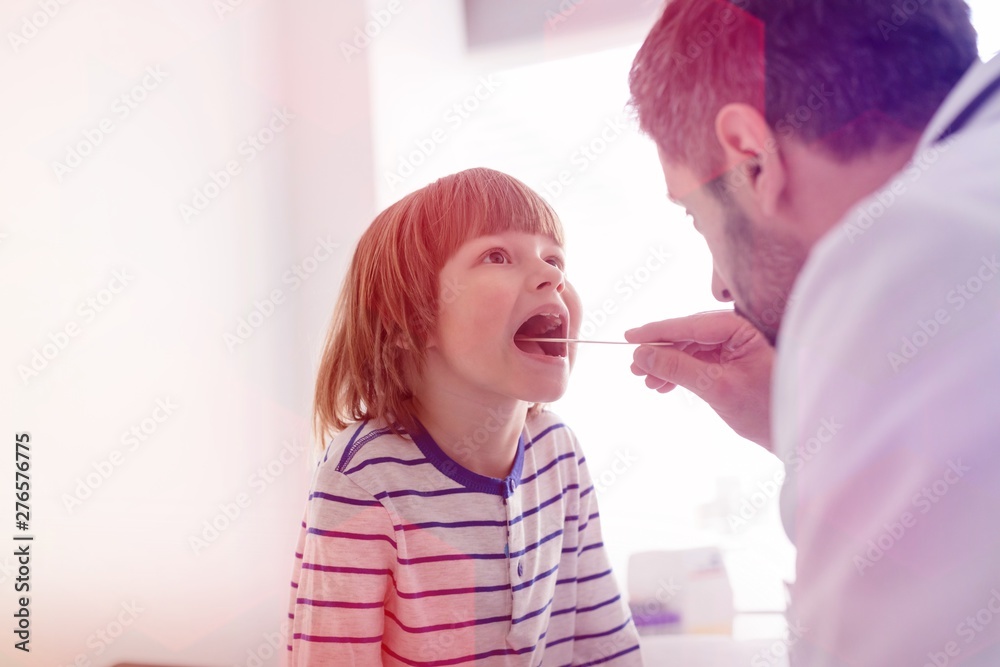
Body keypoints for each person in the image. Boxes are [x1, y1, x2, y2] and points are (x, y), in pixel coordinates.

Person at [625, 0, 1000, 664]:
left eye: (696, 216)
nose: (718, 284)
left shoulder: (906, 247)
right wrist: (813, 433)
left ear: (752, 158)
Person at [285, 168, 642, 666]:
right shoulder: (364, 478)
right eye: (497, 255)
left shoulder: (558, 453)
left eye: (554, 258)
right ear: (413, 319)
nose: (553, 275)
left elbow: (605, 646)